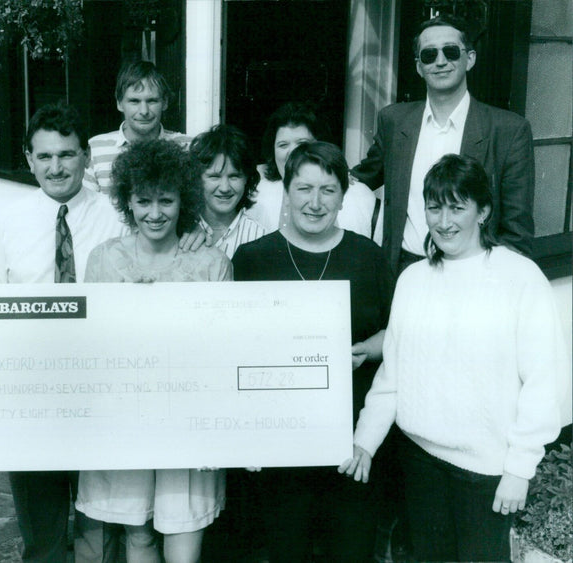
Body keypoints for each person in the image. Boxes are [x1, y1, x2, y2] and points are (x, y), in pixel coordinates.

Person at [341, 154, 567, 562]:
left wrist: (519, 470)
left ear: (483, 211)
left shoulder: (520, 278)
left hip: (485, 473)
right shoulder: (412, 281)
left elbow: (543, 382)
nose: (444, 221)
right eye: (434, 207)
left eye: (457, 207)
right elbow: (393, 375)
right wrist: (365, 440)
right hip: (419, 460)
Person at [0, 103, 126, 562]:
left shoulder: (118, 216)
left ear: (85, 157)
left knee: (102, 528)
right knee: (41, 534)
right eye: (45, 156)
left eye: (66, 154)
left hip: (102, 392)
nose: (56, 167)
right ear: (28, 158)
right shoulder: (7, 221)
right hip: (33, 397)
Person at [232, 141, 394, 562]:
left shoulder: (369, 257)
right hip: (281, 446)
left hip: (354, 444)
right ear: (286, 191)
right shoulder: (252, 260)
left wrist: (374, 347)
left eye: (328, 189)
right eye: (304, 188)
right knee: (287, 551)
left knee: (351, 551)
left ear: (344, 196)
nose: (315, 202)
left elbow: (398, 334)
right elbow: (234, 351)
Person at [76, 139, 231, 563]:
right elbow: (89, 344)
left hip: (189, 415)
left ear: (184, 199)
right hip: (125, 414)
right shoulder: (103, 260)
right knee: (138, 532)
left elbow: (224, 347)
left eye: (166, 200)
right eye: (144, 201)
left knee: (183, 536)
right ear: (128, 201)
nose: (155, 213)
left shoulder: (212, 263)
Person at [351, 14, 535, 275]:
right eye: (429, 55)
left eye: (450, 52)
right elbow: (358, 180)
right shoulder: (394, 121)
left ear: (469, 59)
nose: (440, 61)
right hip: (402, 271)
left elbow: (517, 235)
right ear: (418, 66)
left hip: (473, 275)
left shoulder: (508, 130)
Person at [247, 102, 378, 238]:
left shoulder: (357, 195)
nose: (292, 152)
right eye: (283, 145)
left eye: (302, 144)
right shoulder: (255, 191)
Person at [83, 60, 190, 195]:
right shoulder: (95, 149)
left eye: (152, 101)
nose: (144, 111)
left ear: (165, 102)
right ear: (119, 103)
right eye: (134, 101)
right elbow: (87, 208)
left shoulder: (187, 147)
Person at [190, 124, 266, 258]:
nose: (224, 188)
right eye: (214, 177)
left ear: (247, 179)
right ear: (197, 179)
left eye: (234, 176)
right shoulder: (182, 230)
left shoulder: (261, 238)